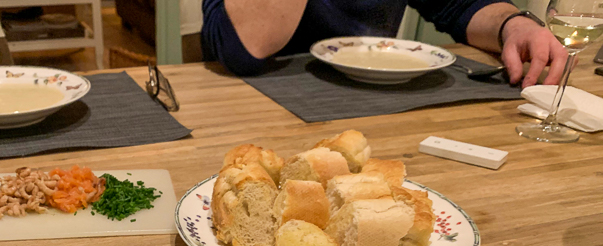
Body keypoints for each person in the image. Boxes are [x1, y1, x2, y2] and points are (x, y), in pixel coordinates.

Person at [202, 0, 566, 88]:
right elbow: (242, 48)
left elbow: (459, 6)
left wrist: (513, 25)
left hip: (375, 99)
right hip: (252, 102)